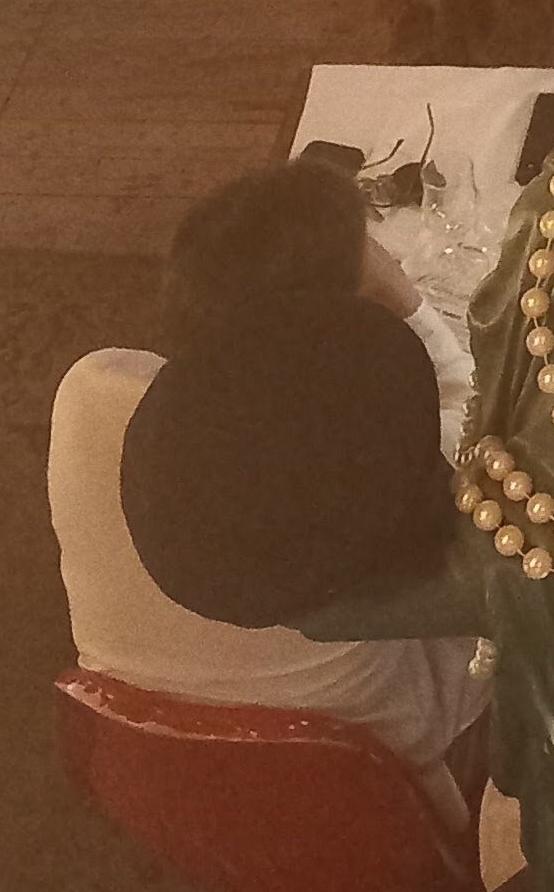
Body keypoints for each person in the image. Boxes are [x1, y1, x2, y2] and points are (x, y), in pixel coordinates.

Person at [48, 160, 482, 799]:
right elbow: (476, 409)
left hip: (137, 738)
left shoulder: (90, 388)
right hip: (355, 756)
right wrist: (409, 305)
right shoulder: (381, 456)